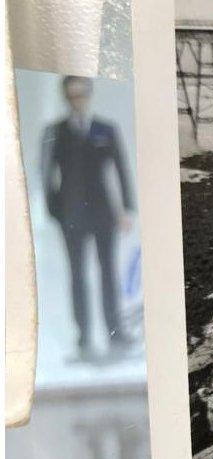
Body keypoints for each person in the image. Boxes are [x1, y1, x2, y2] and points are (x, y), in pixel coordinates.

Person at [43, 75, 136, 358]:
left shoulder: (105, 130)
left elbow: (120, 169)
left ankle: (115, 332)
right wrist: (56, 212)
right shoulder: (56, 132)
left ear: (89, 94)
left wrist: (126, 210)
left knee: (107, 272)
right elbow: (46, 175)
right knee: (77, 275)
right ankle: (83, 337)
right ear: (65, 97)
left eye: (81, 94)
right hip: (71, 217)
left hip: (103, 214)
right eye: (72, 95)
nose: (77, 100)